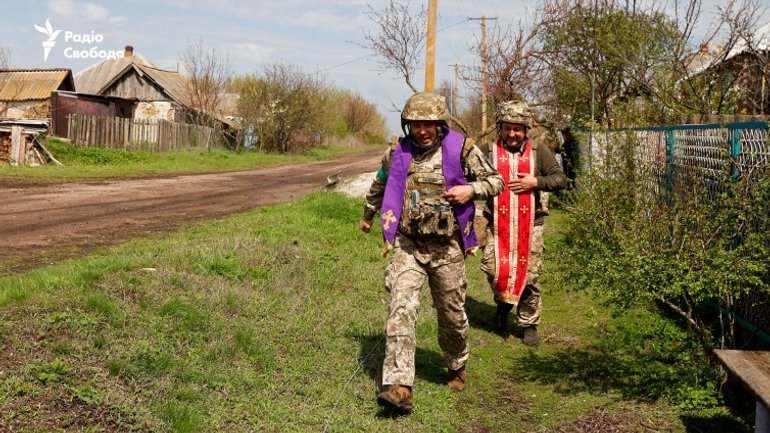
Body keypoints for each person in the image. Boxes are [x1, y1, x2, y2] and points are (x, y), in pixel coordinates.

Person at [359, 92, 504, 414]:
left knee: (451, 315)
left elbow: (496, 181)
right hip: (408, 245)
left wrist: (471, 189)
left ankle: (456, 364)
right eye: (415, 124)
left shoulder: (463, 149)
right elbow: (379, 185)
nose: (422, 130)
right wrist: (368, 216)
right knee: (401, 308)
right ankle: (399, 387)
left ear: (440, 123)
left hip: (448, 248)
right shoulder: (397, 151)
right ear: (407, 125)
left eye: (428, 124)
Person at [479, 100, 567, 347]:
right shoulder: (487, 151)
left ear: (525, 128)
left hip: (531, 225)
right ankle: (504, 304)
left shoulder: (539, 151)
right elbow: (467, 175)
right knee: (493, 268)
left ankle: (529, 323)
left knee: (530, 275)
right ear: (501, 127)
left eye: (517, 129)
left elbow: (560, 179)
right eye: (507, 128)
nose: (512, 134)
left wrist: (535, 182)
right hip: (497, 223)